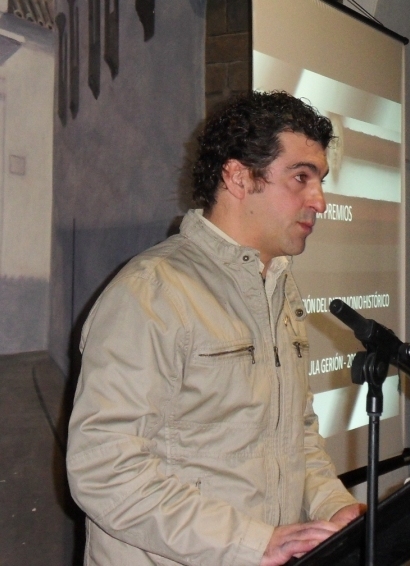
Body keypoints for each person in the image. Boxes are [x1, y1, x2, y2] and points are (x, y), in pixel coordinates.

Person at [66, 91, 364, 566]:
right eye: (301, 177)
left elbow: (296, 436)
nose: (320, 201)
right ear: (238, 177)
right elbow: (103, 469)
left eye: (320, 181)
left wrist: (335, 506)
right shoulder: (151, 291)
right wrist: (252, 542)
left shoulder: (279, 289)